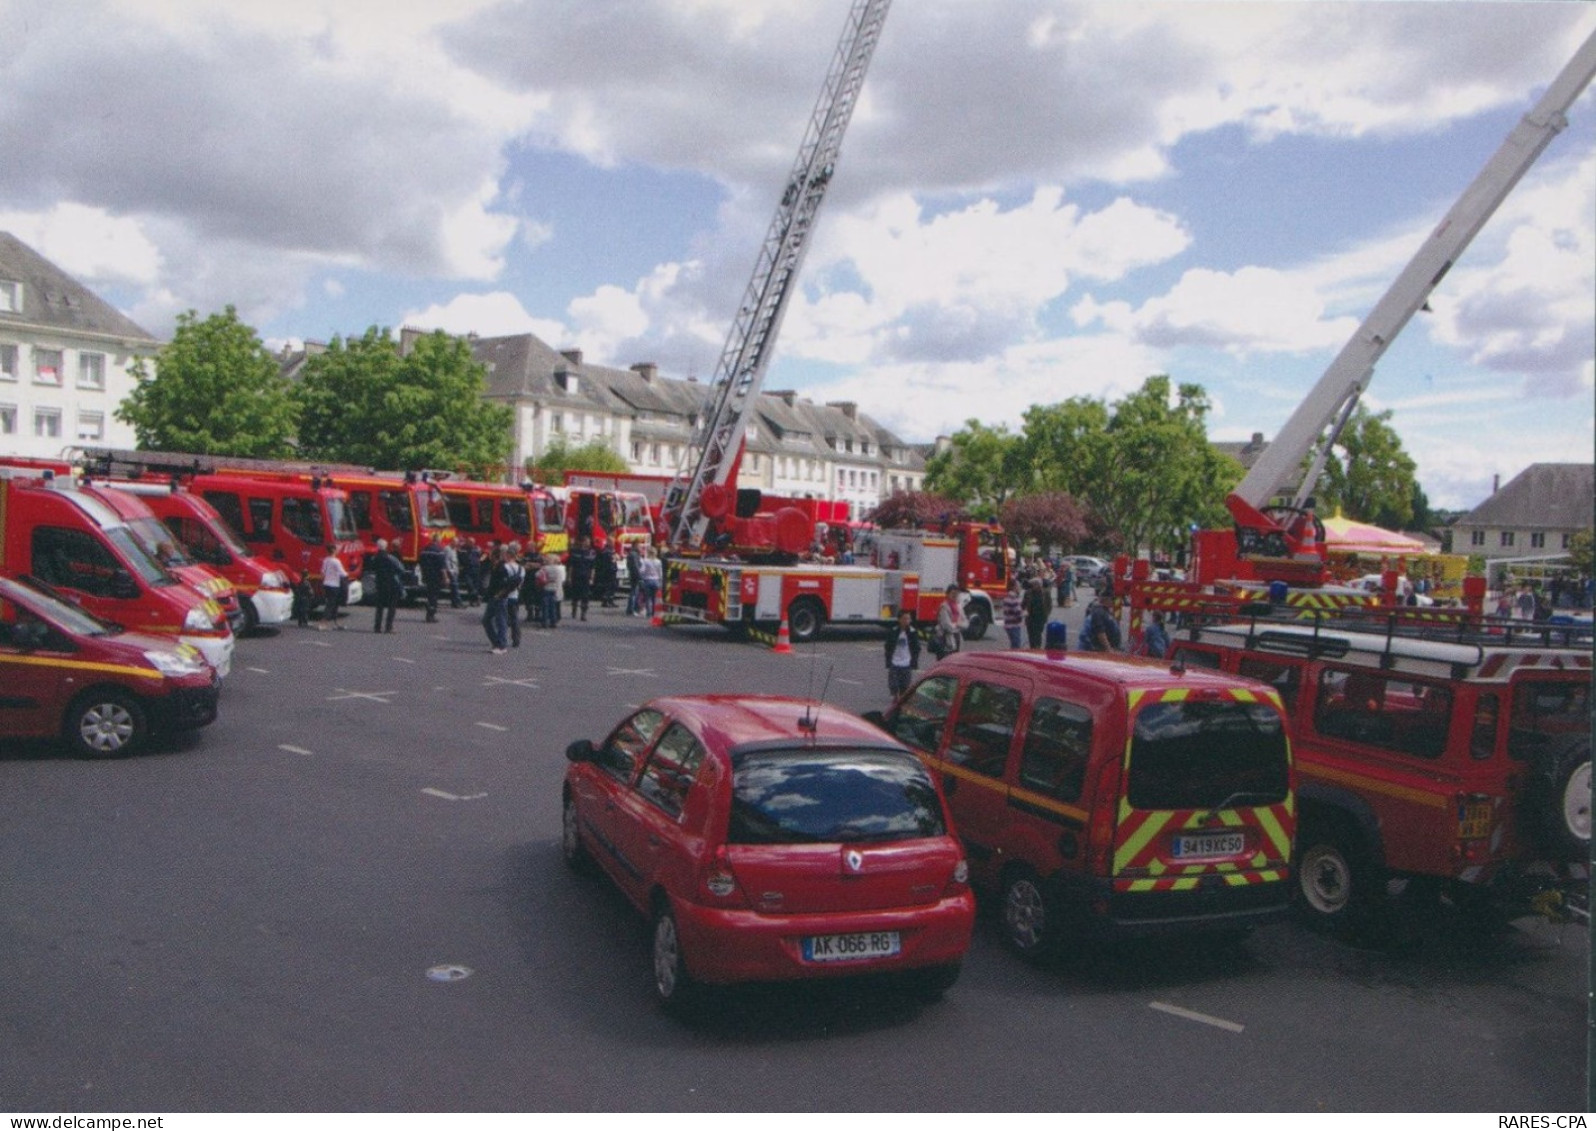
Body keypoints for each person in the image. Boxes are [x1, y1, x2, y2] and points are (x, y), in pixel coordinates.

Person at [481, 545, 515, 654]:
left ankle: (502, 645)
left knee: (501, 621)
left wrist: (501, 594)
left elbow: (512, 582)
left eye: (491, 555)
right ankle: (496, 642)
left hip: (500, 598)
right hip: (492, 597)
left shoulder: (502, 567)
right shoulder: (494, 566)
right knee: (486, 620)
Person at [883, 608, 921, 700]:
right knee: (894, 684)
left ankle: (902, 700)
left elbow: (916, 647)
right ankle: (895, 697)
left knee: (905, 685)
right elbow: (888, 646)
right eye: (904, 618)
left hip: (906, 662)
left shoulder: (912, 632)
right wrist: (888, 658)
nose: (906, 621)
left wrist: (914, 660)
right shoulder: (894, 631)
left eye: (908, 619)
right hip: (895, 662)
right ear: (899, 619)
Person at [370, 538, 405, 633]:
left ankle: (377, 627)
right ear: (386, 547)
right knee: (392, 607)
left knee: (379, 607)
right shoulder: (390, 558)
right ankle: (388, 627)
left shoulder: (374, 558)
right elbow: (401, 569)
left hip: (380, 584)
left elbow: (372, 569)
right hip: (392, 584)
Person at [417, 535, 447, 623]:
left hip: (427, 575)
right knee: (434, 596)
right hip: (436, 576)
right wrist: (446, 578)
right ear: (438, 541)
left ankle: (429, 613)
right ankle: (431, 615)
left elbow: (420, 562)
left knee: (430, 594)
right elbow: (442, 566)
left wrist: (423, 574)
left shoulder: (425, 549)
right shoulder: (439, 550)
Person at [319, 545, 348, 630]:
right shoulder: (336, 561)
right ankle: (323, 623)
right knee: (331, 604)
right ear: (334, 551)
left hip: (326, 584)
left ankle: (335, 622)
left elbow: (322, 572)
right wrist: (347, 575)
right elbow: (342, 573)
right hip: (334, 585)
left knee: (333, 604)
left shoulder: (326, 560)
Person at [567, 536, 596, 621]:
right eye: (586, 541)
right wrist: (569, 577)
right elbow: (571, 566)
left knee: (585, 596)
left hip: (586, 577)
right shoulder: (575, 552)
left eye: (589, 542)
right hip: (576, 576)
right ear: (582, 542)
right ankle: (574, 609)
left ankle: (583, 614)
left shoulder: (591, 553)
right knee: (575, 595)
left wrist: (592, 578)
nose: (588, 543)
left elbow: (593, 567)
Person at [933, 585, 965, 659]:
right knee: (945, 662)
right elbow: (947, 626)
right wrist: (958, 626)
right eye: (953, 593)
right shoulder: (944, 607)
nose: (955, 595)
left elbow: (964, 622)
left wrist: (958, 625)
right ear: (947, 594)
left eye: (957, 594)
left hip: (956, 638)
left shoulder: (958, 607)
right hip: (946, 639)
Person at [1023, 576, 1053, 649]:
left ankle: (1037, 648)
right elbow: (1023, 604)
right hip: (1030, 617)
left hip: (1040, 617)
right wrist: (1024, 611)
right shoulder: (1028, 593)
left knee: (1038, 634)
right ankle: (1032, 648)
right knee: (1031, 635)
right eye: (1032, 585)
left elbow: (1049, 605)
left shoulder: (1046, 593)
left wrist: (1047, 614)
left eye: (1034, 585)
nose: (1032, 587)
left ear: (1039, 585)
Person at [540, 553, 565, 629]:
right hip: (554, 588)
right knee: (553, 606)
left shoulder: (544, 568)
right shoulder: (558, 569)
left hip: (546, 588)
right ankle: (553, 622)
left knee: (545, 606)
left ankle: (544, 622)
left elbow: (537, 575)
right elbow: (562, 579)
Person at [636, 545, 662, 620]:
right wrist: (660, 582)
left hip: (647, 580)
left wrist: (642, 575)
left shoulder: (645, 561)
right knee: (654, 598)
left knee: (648, 598)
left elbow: (642, 570)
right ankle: (654, 613)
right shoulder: (658, 561)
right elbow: (660, 573)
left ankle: (649, 613)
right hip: (656, 581)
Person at [1001, 579, 1024, 649]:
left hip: (1008, 624)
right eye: (1018, 586)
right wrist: (1025, 613)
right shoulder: (1013, 598)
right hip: (1014, 625)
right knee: (1016, 646)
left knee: (1013, 644)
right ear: (1014, 587)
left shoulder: (1007, 596)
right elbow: (1018, 613)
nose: (1020, 588)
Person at [624, 543, 644, 616]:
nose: (641, 548)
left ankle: (631, 609)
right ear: (636, 546)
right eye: (640, 546)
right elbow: (636, 566)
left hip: (633, 575)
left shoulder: (633, 554)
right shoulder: (634, 554)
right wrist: (639, 577)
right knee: (634, 594)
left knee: (634, 593)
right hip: (635, 576)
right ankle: (631, 610)